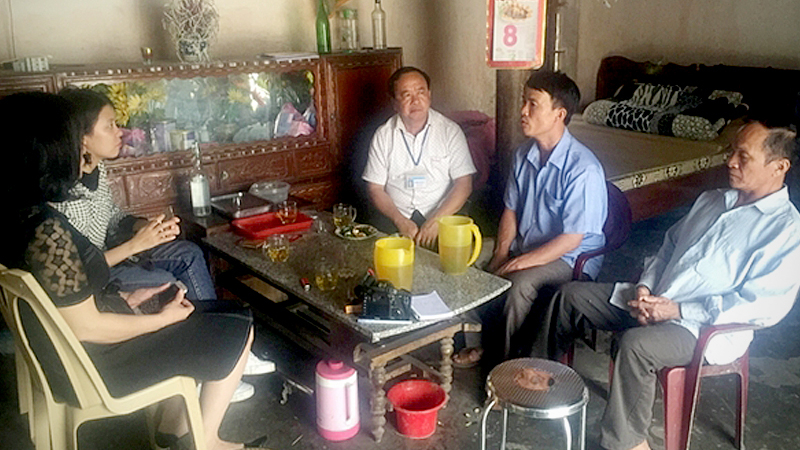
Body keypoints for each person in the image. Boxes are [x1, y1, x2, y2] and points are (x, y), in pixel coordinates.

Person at [0, 91, 261, 450]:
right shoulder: (45, 229)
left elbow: (65, 298)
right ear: (44, 150)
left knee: (212, 310)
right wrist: (162, 320)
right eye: (67, 139)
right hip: (96, 367)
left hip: (73, 352)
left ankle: (173, 431)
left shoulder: (21, 215)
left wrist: (127, 298)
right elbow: (85, 325)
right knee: (238, 324)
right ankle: (206, 442)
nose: (75, 149)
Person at [541, 121, 800, 450]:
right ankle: (541, 380)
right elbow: (666, 249)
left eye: (743, 156)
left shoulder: (785, 230)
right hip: (656, 300)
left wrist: (676, 309)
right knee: (570, 296)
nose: (730, 161)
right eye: (731, 150)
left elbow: (762, 305)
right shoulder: (712, 200)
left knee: (636, 346)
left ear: (779, 167)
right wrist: (645, 289)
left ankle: (628, 443)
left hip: (700, 327)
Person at [53, 88, 274, 401]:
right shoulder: (65, 193)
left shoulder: (97, 171)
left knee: (187, 251)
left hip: (117, 258)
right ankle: (214, 359)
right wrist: (135, 245)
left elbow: (114, 216)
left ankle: (223, 350)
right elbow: (83, 270)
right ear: (83, 138)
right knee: (168, 282)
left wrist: (144, 227)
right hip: (100, 281)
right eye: (110, 125)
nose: (120, 132)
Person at [453, 70, 607, 367]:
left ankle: (506, 368)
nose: (523, 111)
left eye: (533, 104)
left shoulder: (582, 169)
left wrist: (517, 262)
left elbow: (571, 239)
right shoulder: (523, 155)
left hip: (570, 257)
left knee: (518, 284)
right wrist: (500, 254)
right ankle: (481, 342)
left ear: (558, 114)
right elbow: (510, 210)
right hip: (529, 244)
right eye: (524, 102)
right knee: (465, 261)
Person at [362, 66, 477, 247]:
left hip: (442, 213)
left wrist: (438, 220)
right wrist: (400, 221)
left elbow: (464, 183)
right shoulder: (383, 135)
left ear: (429, 95)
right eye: (406, 95)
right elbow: (375, 188)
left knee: (451, 261)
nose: (415, 100)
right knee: (383, 260)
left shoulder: (450, 131)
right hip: (395, 215)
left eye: (421, 92)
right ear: (394, 103)